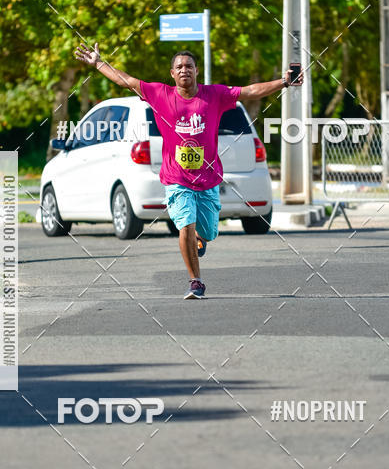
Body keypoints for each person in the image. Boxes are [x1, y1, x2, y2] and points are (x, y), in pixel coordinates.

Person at [75, 42, 302, 299]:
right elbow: (125, 80)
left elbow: (250, 91)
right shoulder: (159, 94)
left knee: (207, 232)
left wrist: (283, 82)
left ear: (197, 71)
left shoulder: (214, 95)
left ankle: (200, 241)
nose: (185, 70)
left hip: (208, 179)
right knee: (185, 224)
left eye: (189, 66)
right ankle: (196, 281)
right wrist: (98, 63)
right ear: (172, 73)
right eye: (179, 67)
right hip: (176, 178)